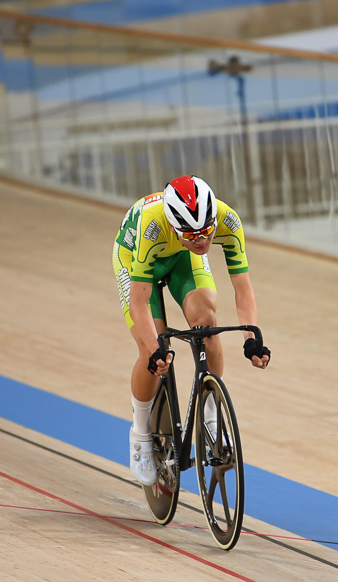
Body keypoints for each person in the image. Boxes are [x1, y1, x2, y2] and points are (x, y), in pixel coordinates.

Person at [113, 175, 270, 485]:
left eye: (206, 231)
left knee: (207, 323)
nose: (202, 240)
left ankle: (210, 413)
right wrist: (156, 348)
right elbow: (140, 303)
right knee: (151, 349)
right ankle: (140, 434)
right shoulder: (151, 227)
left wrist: (251, 338)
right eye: (191, 233)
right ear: (173, 226)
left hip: (182, 260)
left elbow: (243, 286)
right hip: (136, 261)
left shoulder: (227, 220)